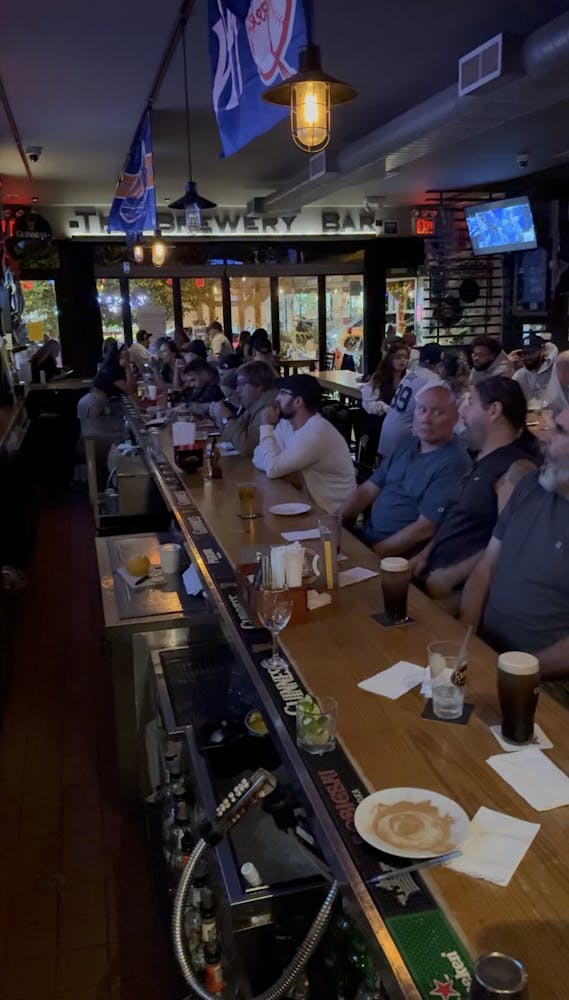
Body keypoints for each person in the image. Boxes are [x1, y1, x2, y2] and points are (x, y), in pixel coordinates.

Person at [460, 405, 569, 683]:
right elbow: (485, 569)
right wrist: (464, 640)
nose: (544, 437)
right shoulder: (531, 485)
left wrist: (510, 670)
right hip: (484, 652)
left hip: (542, 680)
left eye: (559, 431)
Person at [412, 377, 540, 600]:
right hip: (426, 576)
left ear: (494, 410)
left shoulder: (515, 470)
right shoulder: (481, 458)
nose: (463, 413)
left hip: (454, 595)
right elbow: (456, 521)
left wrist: (451, 576)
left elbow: (508, 543)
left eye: (470, 403)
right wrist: (424, 555)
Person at [342, 384, 471, 557]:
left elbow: (424, 529)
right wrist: (337, 522)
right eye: (422, 409)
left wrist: (370, 554)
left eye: (438, 412)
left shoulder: (455, 462)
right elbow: (367, 490)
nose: (426, 418)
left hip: (397, 557)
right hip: (367, 537)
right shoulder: (408, 444)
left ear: (456, 418)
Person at [252, 375, 356, 513]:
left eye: (283, 393)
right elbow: (257, 456)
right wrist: (280, 468)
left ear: (298, 401)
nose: (277, 398)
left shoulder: (315, 432)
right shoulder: (287, 424)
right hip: (308, 502)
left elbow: (272, 468)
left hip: (332, 514)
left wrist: (266, 426)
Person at [377, 342, 443, 458]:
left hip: (387, 433)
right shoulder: (432, 380)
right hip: (403, 440)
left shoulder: (411, 375)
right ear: (439, 363)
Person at [210, 361, 277, 456]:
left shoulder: (268, 407)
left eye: (242, 384)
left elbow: (248, 447)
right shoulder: (254, 405)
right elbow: (230, 437)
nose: (237, 390)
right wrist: (220, 417)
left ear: (260, 385)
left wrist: (226, 418)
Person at [77, 342, 136, 417]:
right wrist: (128, 368)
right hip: (93, 403)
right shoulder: (110, 370)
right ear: (117, 354)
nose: (128, 353)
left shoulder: (117, 368)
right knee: (92, 424)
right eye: (125, 350)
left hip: (99, 402)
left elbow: (134, 388)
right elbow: (129, 390)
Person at [511, 333, 566, 411]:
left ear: (542, 351)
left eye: (531, 353)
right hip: (531, 417)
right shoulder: (519, 375)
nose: (527, 357)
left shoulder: (558, 369)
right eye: (524, 354)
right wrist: (508, 367)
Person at [361, 345, 410, 417]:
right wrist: (385, 408)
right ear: (390, 358)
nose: (402, 360)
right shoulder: (380, 376)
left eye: (406, 357)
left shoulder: (409, 376)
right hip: (382, 417)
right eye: (398, 357)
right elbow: (369, 404)